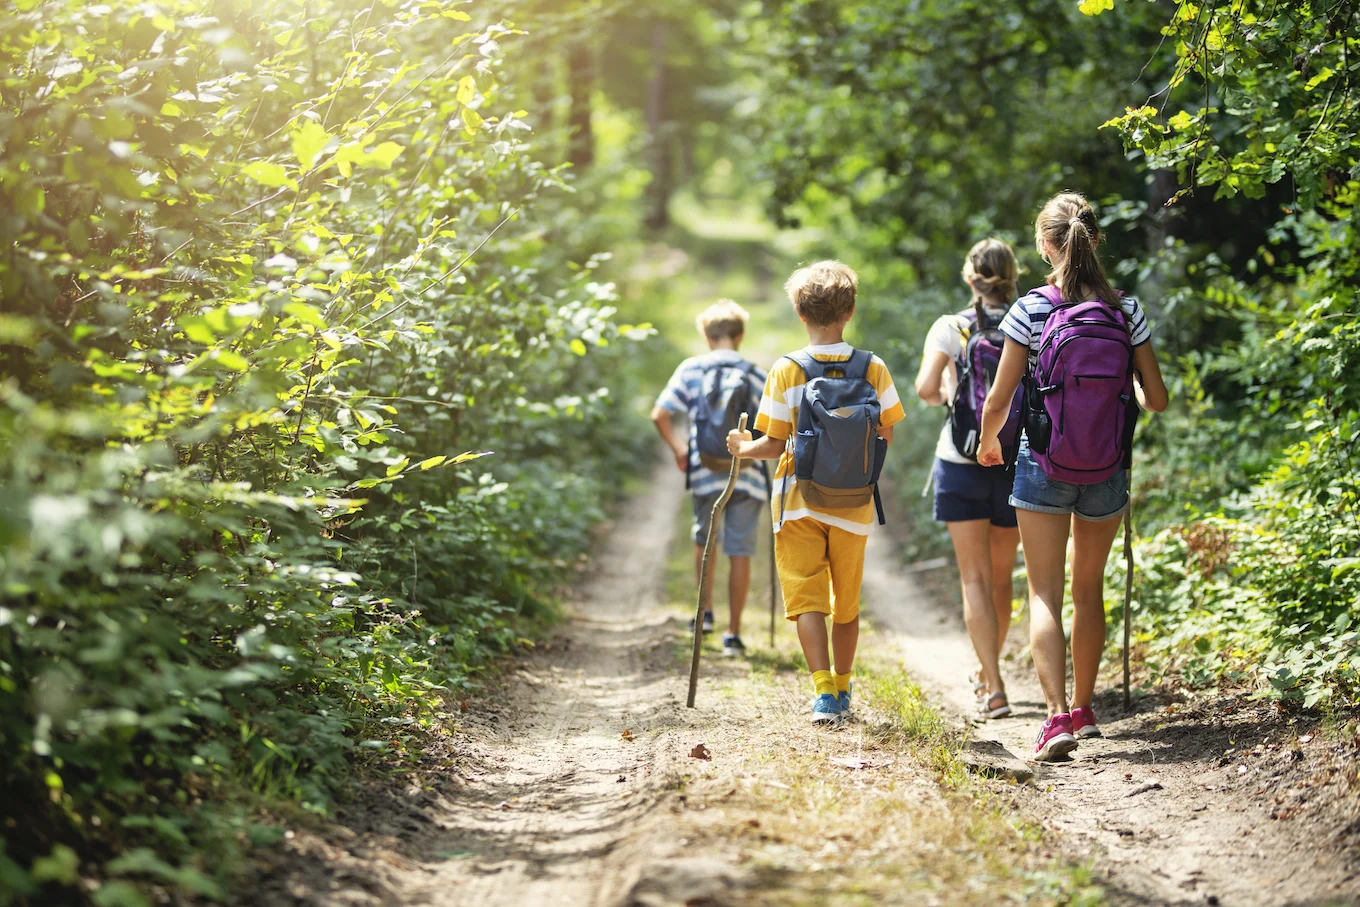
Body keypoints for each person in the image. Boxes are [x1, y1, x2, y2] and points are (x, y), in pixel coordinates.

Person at [977, 192, 1168, 761]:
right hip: (1107, 467)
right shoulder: (1125, 310)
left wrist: (989, 443)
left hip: (1043, 463)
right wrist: (1116, 395)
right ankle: (1086, 711)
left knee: (1044, 592)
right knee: (1089, 590)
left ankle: (1055, 717)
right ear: (1095, 238)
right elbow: (1156, 399)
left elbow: (999, 398)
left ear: (1043, 245)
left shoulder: (1032, 308)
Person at [726, 261, 906, 723]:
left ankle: (823, 692)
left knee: (807, 598)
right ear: (849, 311)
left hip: (798, 502)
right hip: (855, 504)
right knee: (846, 604)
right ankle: (846, 688)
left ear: (799, 314)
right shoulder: (874, 367)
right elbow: (886, 434)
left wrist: (741, 448)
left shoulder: (787, 370)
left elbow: (771, 443)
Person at [914, 239, 1023, 721]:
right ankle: (989, 671)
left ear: (970, 278)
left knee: (973, 578)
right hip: (1014, 460)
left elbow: (924, 388)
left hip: (960, 461)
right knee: (1002, 577)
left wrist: (951, 398)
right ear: (1013, 275)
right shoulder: (1031, 320)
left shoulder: (951, 327)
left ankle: (993, 685)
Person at [652, 299, 769, 657]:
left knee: (705, 541)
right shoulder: (754, 372)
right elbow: (775, 425)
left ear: (706, 335)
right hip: (746, 474)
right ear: (741, 335)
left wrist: (679, 449)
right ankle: (733, 634)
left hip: (704, 472)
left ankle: (703, 614)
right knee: (741, 549)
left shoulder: (691, 370)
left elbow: (660, 414)